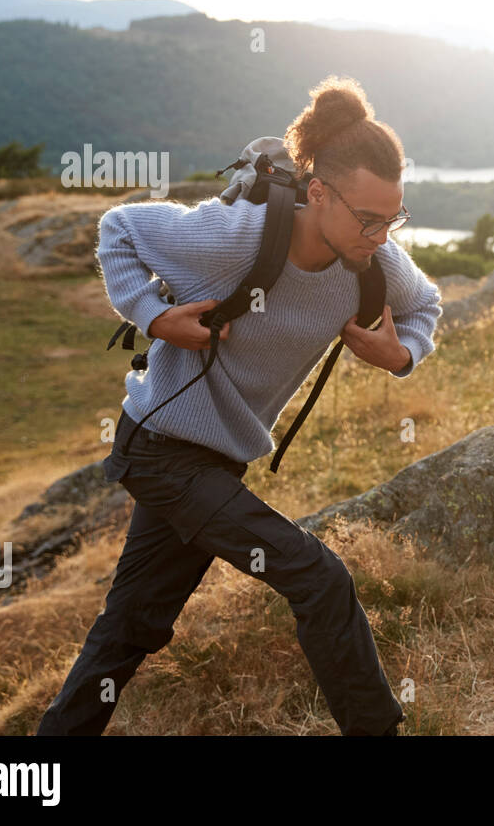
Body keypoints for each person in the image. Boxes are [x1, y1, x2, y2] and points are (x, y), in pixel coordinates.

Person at [36, 76, 441, 736]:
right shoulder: (233, 239)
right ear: (318, 193)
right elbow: (119, 228)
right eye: (368, 219)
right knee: (319, 579)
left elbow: (425, 305)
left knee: (130, 630)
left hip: (217, 467)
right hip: (159, 450)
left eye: (391, 219)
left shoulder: (373, 262)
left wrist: (400, 355)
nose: (380, 235)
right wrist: (155, 317)